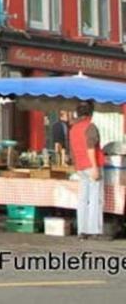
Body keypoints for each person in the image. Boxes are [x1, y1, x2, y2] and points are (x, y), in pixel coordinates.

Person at [70, 102, 105, 240]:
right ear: (91, 113)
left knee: (83, 198)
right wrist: (95, 167)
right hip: (91, 165)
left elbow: (72, 150)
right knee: (96, 198)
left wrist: (77, 165)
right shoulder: (90, 126)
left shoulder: (73, 129)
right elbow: (91, 148)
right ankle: (94, 230)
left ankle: (82, 230)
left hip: (80, 166)